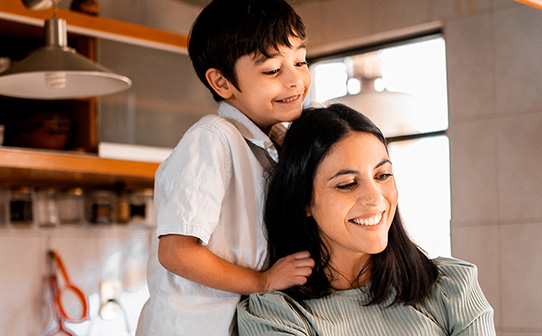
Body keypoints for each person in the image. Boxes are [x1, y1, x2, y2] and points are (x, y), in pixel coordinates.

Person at [237, 104, 496, 335]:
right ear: (304, 201)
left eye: (383, 175)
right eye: (348, 184)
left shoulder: (452, 287)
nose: (375, 198)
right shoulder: (275, 316)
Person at [136, 0, 315, 335]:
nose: (295, 81)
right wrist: (264, 281)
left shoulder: (276, 144)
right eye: (273, 70)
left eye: (300, 61)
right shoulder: (212, 138)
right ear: (221, 83)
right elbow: (176, 252)